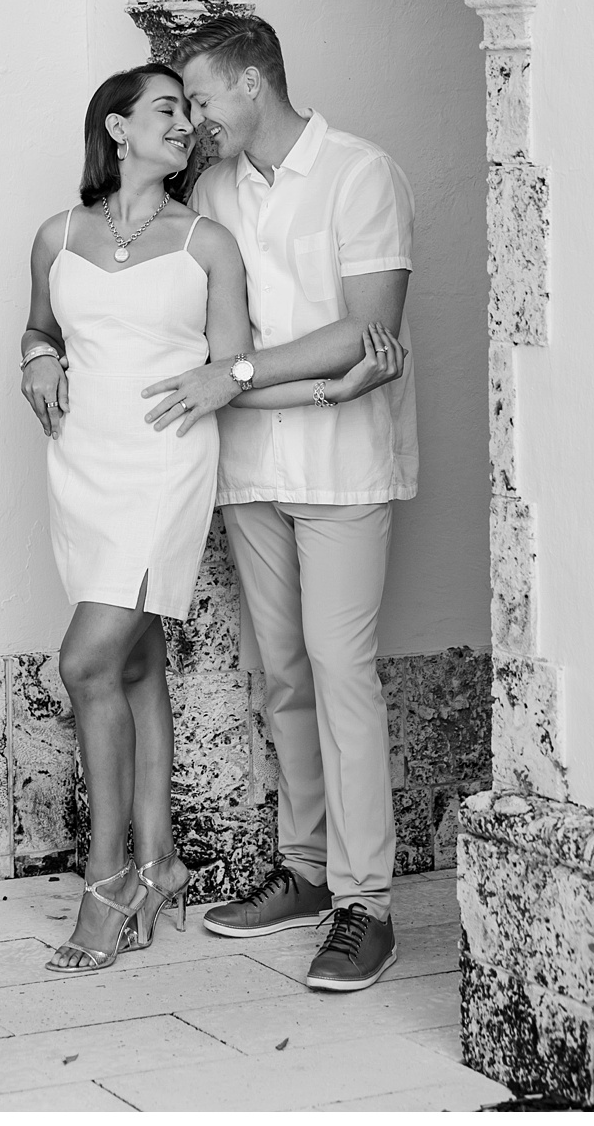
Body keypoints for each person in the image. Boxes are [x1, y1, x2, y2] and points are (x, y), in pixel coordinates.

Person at [21, 61, 407, 974]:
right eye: (169, 109)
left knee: (88, 661)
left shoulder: (220, 234)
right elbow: (42, 328)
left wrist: (328, 391)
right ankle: (167, 866)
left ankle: (112, 879)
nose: (189, 123)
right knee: (165, 658)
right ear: (115, 129)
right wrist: (34, 360)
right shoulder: (65, 232)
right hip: (86, 467)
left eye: (194, 106)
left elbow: (233, 373)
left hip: (171, 466)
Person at [142, 16, 418, 993]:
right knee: (284, 673)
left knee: (345, 675)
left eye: (205, 97)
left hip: (346, 472)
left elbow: (368, 334)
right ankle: (303, 873)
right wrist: (266, 382)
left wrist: (241, 373)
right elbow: (202, 350)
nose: (198, 118)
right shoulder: (216, 191)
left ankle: (367, 907)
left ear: (253, 83)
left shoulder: (359, 174)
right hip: (252, 470)